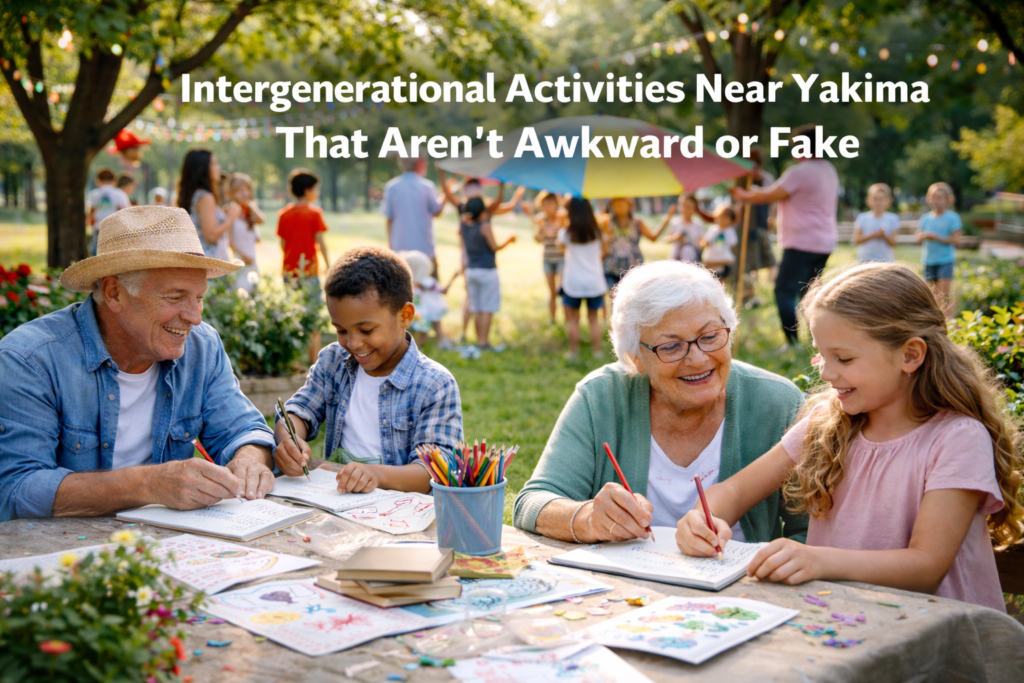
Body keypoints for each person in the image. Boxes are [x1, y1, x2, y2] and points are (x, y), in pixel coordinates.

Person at [675, 264, 1021, 612]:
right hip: (845, 621)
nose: (825, 372)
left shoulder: (956, 440)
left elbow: (926, 567)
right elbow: (734, 491)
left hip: (938, 637)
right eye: (821, 355)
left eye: (843, 357)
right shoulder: (827, 424)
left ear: (910, 355)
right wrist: (705, 518)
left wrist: (818, 561)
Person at [0, 206, 278, 521]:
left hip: (173, 548)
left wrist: (249, 459)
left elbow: (243, 429)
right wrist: (149, 484)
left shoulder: (202, 346)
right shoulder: (31, 360)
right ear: (114, 292)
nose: (195, 317)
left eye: (199, 298)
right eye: (175, 297)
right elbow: (15, 488)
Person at [513, 260, 807, 546]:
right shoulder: (601, 397)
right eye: (671, 346)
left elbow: (811, 531)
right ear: (635, 358)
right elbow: (534, 502)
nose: (698, 359)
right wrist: (586, 518)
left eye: (710, 336)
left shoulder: (778, 403)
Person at [273, 246, 463, 494]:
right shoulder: (334, 361)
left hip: (400, 515)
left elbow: (434, 471)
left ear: (405, 315)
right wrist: (288, 439)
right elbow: (298, 411)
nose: (352, 343)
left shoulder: (435, 384)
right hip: (339, 503)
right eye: (341, 330)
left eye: (366, 330)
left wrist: (374, 474)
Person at [730, 125, 839, 351]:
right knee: (810, 292)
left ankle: (792, 343)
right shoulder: (828, 168)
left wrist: (743, 195)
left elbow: (768, 195)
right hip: (824, 241)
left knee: (783, 290)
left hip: (802, 243)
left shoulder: (800, 172)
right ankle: (819, 339)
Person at [277, 168, 330, 364]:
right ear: (308, 190)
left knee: (294, 313)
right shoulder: (314, 213)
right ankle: (313, 358)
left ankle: (294, 359)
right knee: (313, 315)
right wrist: (329, 264)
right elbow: (320, 242)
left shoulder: (284, 214)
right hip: (309, 272)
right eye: (316, 189)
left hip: (290, 272)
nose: (317, 192)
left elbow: (283, 244)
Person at [558, 197, 608, 360]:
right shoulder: (598, 232)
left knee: (573, 319)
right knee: (593, 319)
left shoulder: (565, 233)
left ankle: (573, 352)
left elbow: (561, 249)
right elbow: (605, 252)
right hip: (594, 281)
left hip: (573, 282)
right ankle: (597, 351)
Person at [381, 156, 446, 277]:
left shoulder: (392, 187)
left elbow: (389, 219)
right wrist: (446, 194)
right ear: (419, 163)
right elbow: (437, 212)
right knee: (429, 290)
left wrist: (390, 246)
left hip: (400, 251)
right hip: (425, 250)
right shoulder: (427, 186)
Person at [177, 149, 240, 262]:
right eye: (214, 164)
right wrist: (230, 218)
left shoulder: (196, 195)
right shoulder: (206, 197)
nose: (219, 168)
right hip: (209, 261)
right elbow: (211, 236)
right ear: (203, 169)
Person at [600, 197, 668, 291]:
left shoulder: (637, 222)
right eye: (615, 205)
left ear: (629, 206)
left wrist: (667, 217)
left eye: (622, 204)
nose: (619, 207)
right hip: (612, 267)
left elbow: (653, 237)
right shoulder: (606, 222)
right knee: (614, 298)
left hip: (633, 267)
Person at [916, 182, 961, 318]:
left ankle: (949, 322)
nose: (936, 201)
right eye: (933, 197)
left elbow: (956, 240)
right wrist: (923, 236)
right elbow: (918, 236)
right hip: (928, 261)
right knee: (932, 297)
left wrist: (936, 237)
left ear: (948, 200)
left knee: (944, 295)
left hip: (945, 260)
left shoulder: (952, 217)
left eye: (940, 198)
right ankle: (936, 322)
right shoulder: (925, 218)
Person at [399, 249, 452, 350]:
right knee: (424, 328)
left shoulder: (406, 283)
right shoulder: (427, 281)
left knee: (415, 329)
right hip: (424, 311)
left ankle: (417, 345)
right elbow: (441, 290)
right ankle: (430, 343)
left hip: (413, 311)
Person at [529, 191, 567, 323]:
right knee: (552, 292)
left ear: (556, 204)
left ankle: (567, 318)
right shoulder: (541, 219)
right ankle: (552, 319)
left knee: (560, 290)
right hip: (547, 258)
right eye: (544, 204)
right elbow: (539, 239)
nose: (547, 207)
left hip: (561, 258)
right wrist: (537, 230)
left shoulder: (562, 218)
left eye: (550, 204)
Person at [226, 173, 266, 292]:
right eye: (240, 190)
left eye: (247, 189)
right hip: (239, 260)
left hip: (252, 260)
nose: (245, 193)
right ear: (232, 193)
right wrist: (243, 257)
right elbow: (229, 242)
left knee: (254, 292)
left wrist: (251, 205)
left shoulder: (250, 212)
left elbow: (262, 219)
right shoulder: (230, 211)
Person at [87, 167, 131, 256]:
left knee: (97, 250)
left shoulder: (94, 194)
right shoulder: (119, 194)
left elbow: (91, 213)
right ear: (114, 181)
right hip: (115, 228)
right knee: (114, 251)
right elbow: (125, 211)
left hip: (99, 227)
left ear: (98, 180)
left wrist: (88, 222)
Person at [853, 183, 900, 264]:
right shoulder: (862, 218)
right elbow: (856, 240)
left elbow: (893, 243)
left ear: (888, 201)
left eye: (881, 199)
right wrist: (873, 235)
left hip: (885, 261)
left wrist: (884, 236)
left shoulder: (893, 219)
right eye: (875, 199)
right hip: (865, 260)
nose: (878, 202)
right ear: (868, 200)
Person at [660, 194, 705, 264]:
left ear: (694, 209)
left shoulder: (698, 224)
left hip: (692, 260)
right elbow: (667, 238)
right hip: (676, 259)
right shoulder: (675, 222)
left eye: (688, 207)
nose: (685, 209)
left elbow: (701, 243)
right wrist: (675, 237)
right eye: (683, 205)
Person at [700, 206, 738, 280]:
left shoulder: (730, 231)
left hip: (724, 257)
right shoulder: (713, 229)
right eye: (720, 217)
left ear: (731, 220)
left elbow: (733, 244)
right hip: (712, 257)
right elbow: (705, 242)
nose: (721, 220)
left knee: (722, 277)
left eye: (725, 218)